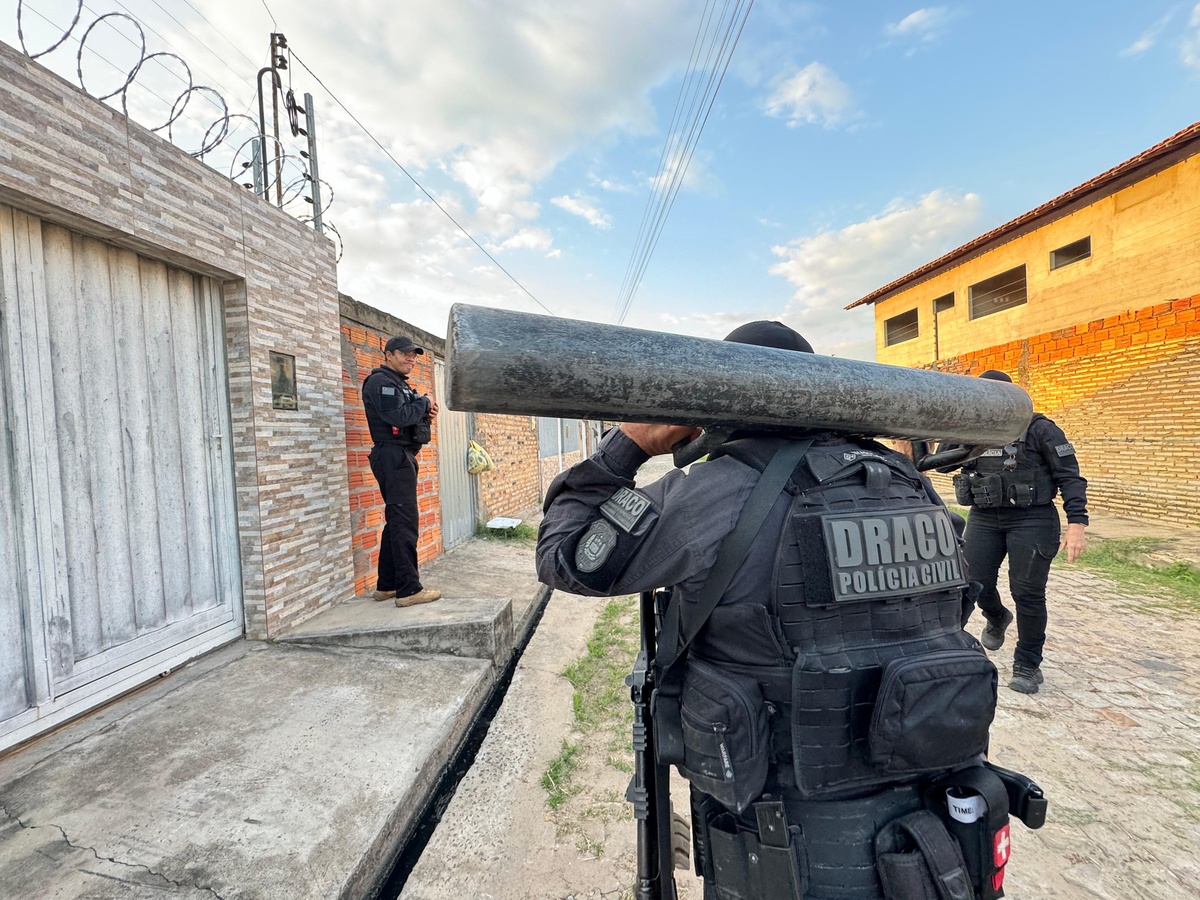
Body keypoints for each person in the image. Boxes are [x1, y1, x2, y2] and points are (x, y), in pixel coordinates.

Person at [537, 322, 1003, 900]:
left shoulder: (714, 490)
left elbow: (565, 557)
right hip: (926, 820)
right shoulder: (906, 481)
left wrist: (627, 444)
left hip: (780, 829)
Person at [944, 369, 1088, 695]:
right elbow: (943, 463)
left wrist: (1077, 524)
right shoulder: (973, 428)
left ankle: (1027, 664)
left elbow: (1071, 477)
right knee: (972, 582)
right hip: (984, 517)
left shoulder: (1041, 429)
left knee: (1028, 593)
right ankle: (996, 616)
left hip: (1032, 518)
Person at [362, 335, 441, 607]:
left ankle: (387, 586)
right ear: (388, 355)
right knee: (406, 522)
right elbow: (397, 417)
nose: (411, 359)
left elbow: (408, 416)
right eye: (405, 354)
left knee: (397, 521)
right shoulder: (381, 382)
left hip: (400, 456)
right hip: (392, 456)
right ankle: (409, 590)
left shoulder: (399, 385)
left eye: (414, 356)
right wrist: (424, 401)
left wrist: (424, 411)